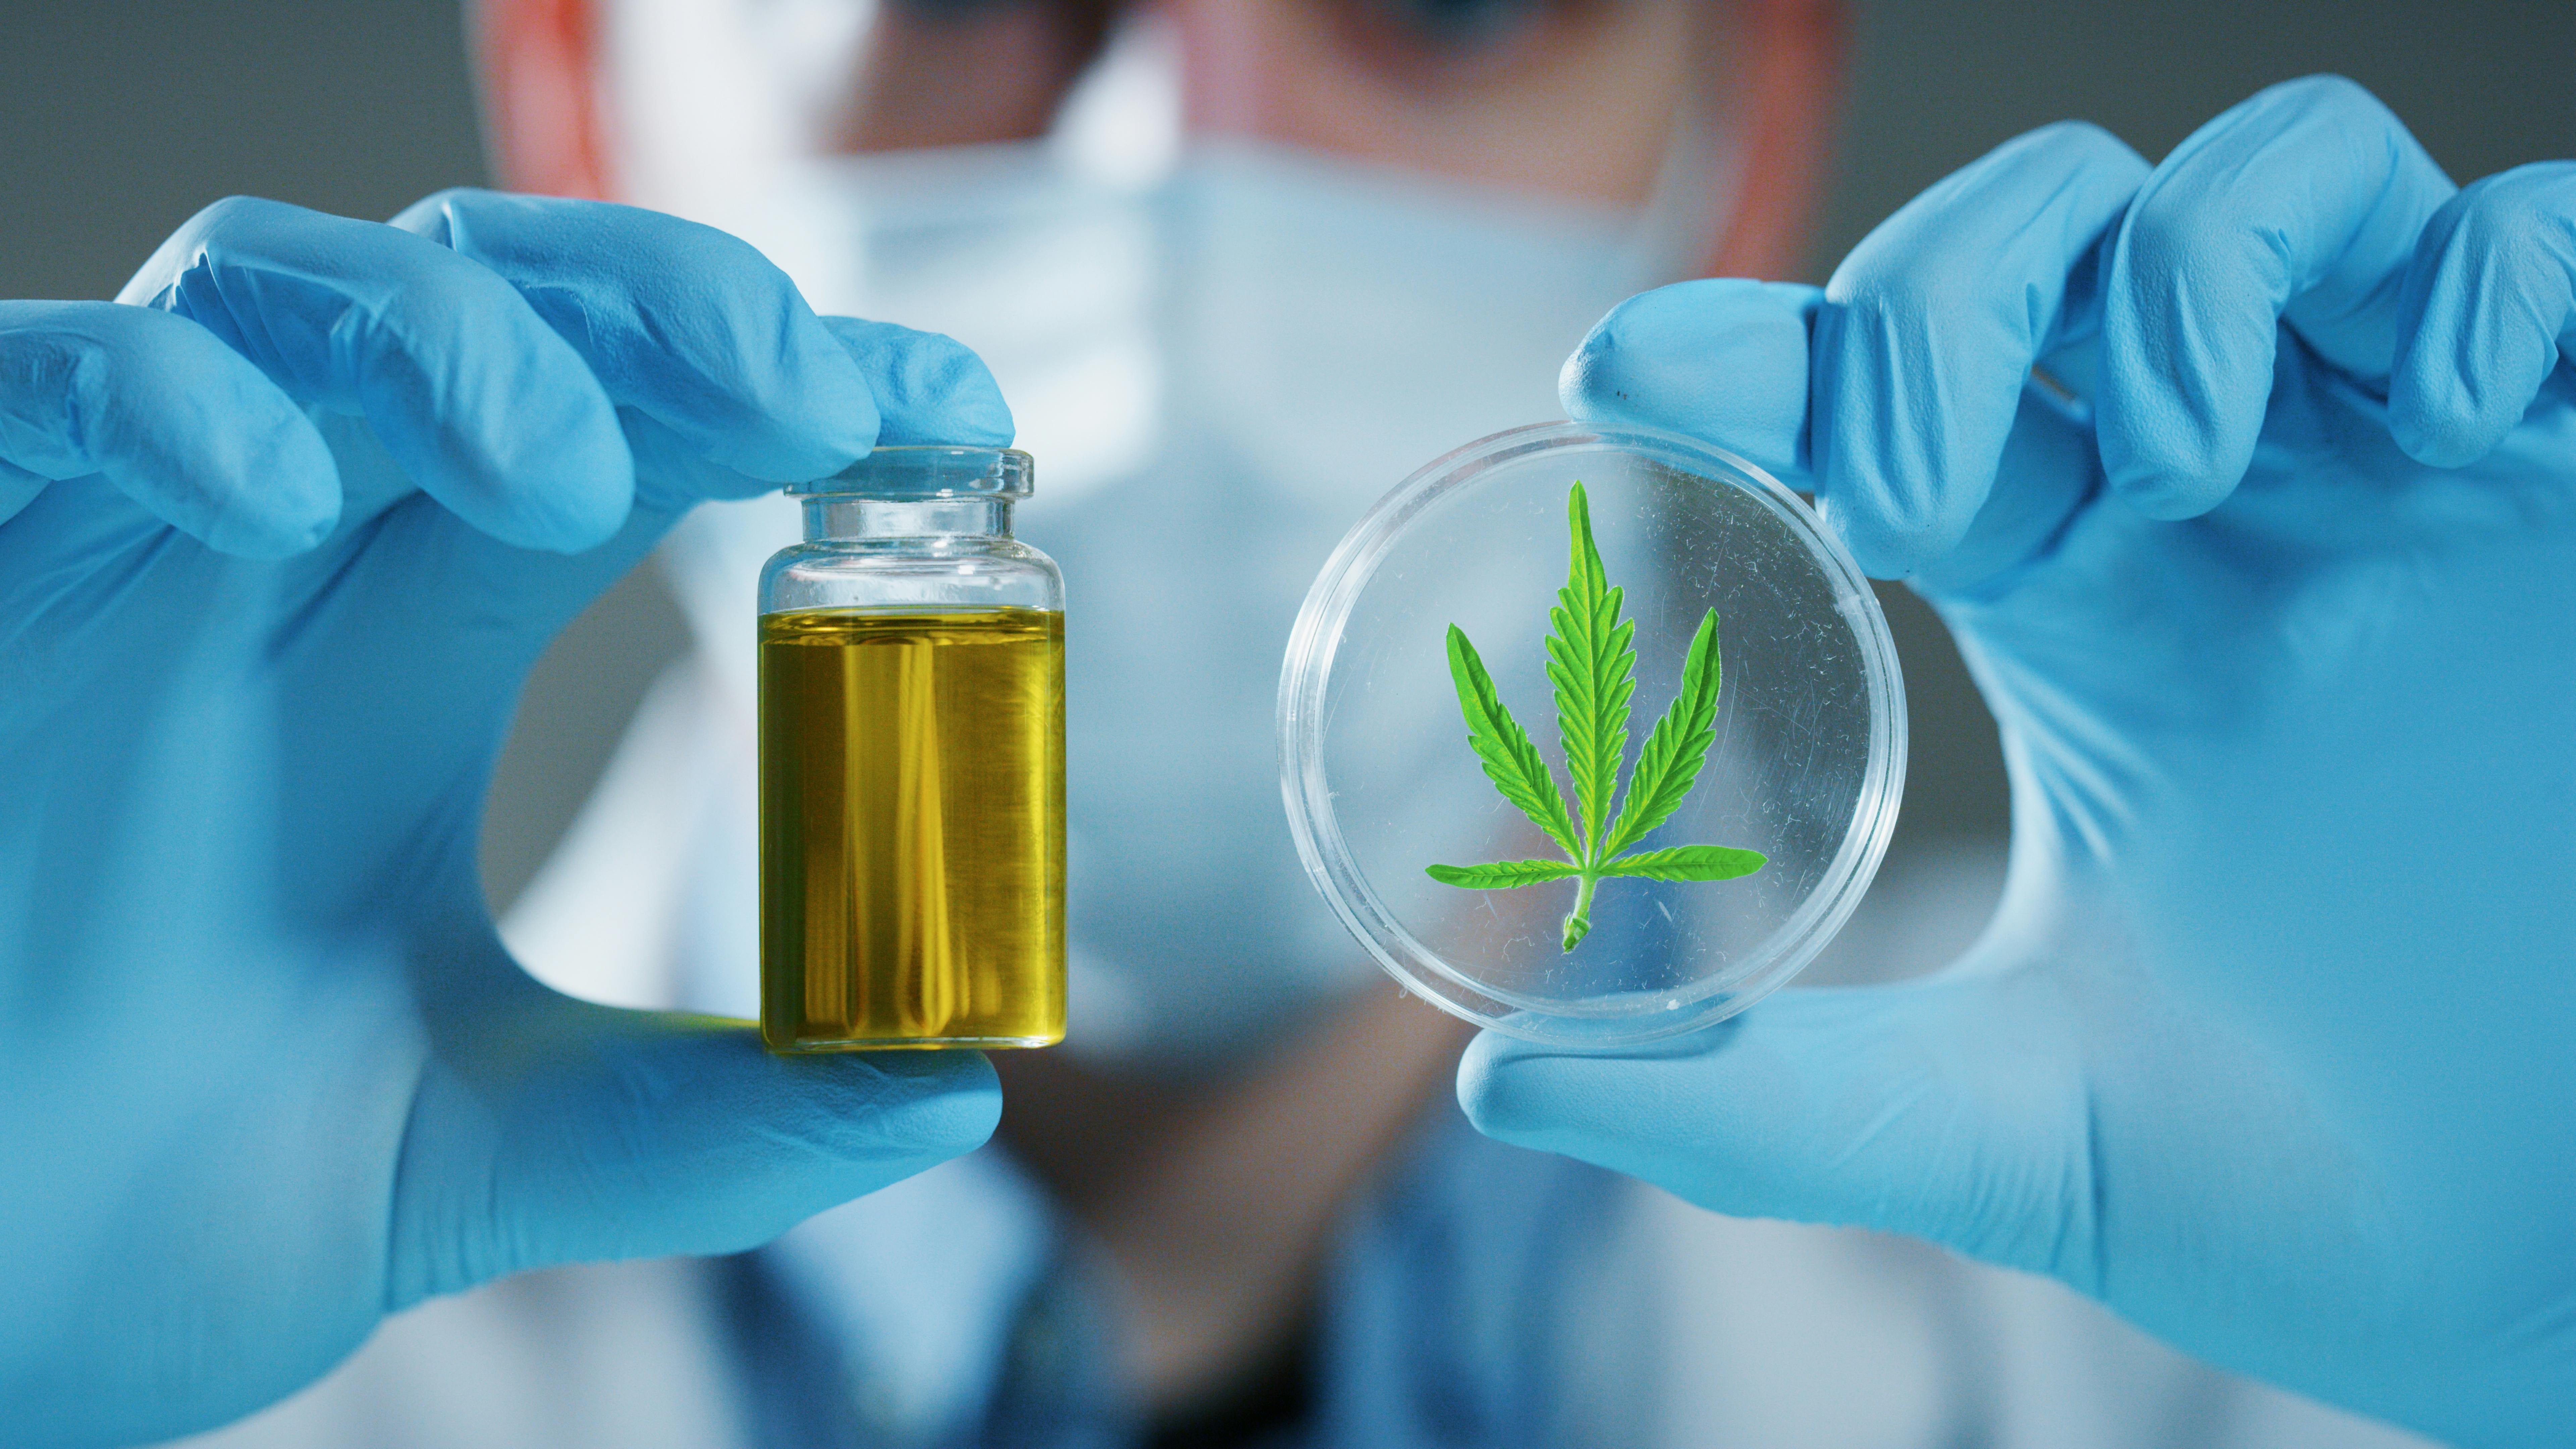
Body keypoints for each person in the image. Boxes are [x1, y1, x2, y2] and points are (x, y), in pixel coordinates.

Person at [0, 0, 2565, 1444]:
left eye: (1445, 2)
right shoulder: (170, 1337)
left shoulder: (2272, 1344)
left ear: (1747, 127)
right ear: (576, 91)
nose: (1182, 155)